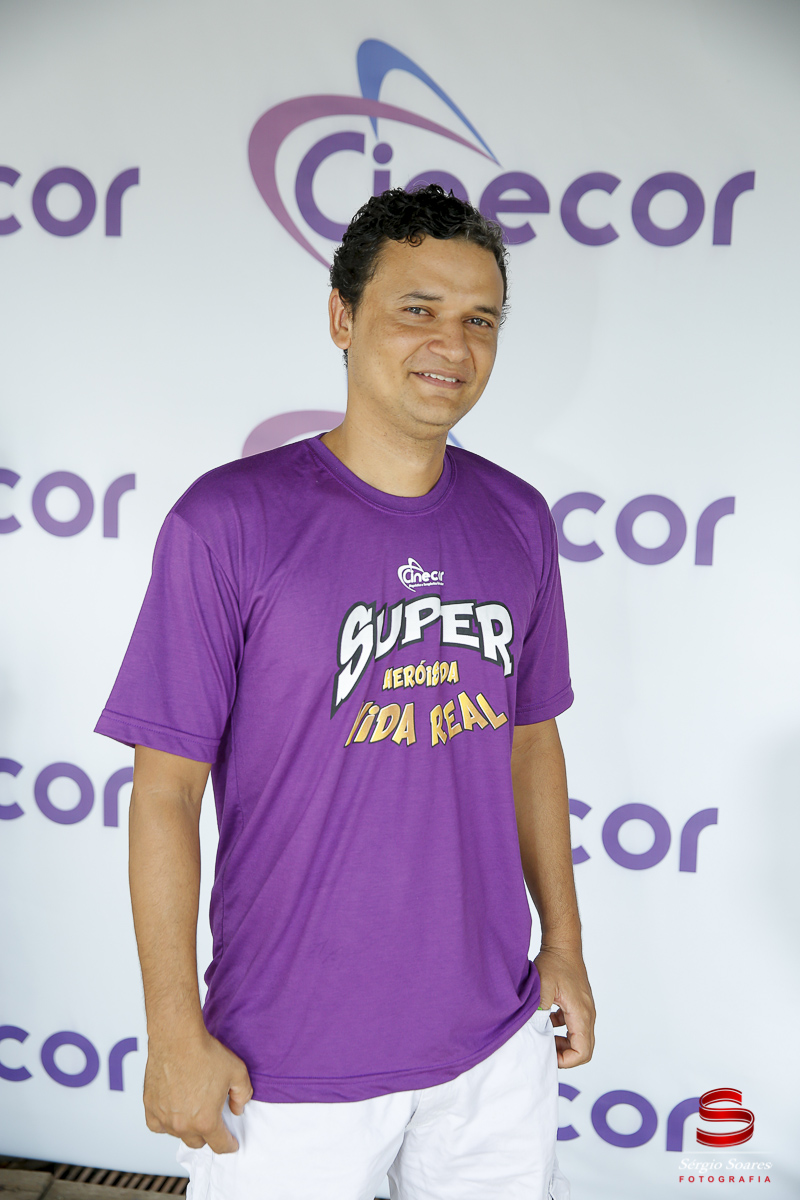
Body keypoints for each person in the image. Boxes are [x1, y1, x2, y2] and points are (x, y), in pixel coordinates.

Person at [96, 184, 595, 1200]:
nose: (451, 344)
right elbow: (164, 793)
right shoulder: (226, 523)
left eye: (479, 319)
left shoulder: (516, 519)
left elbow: (529, 743)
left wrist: (565, 948)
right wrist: (172, 1030)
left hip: (491, 1048)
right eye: (417, 309)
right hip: (286, 1058)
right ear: (341, 316)